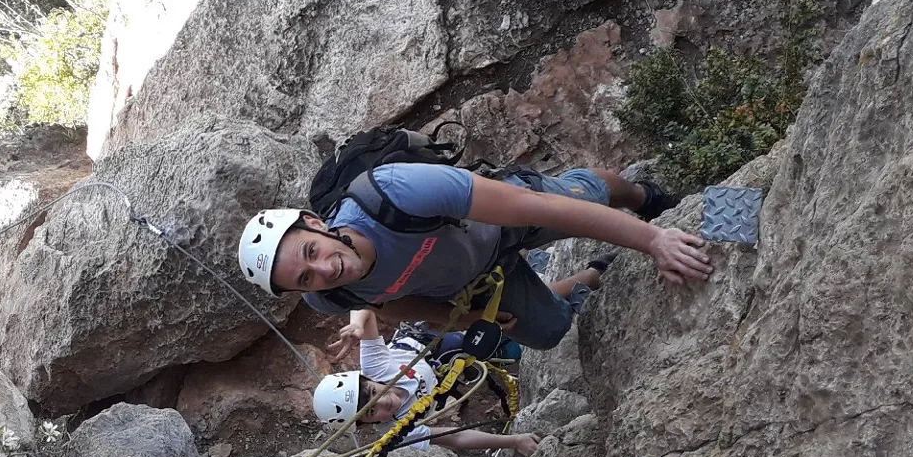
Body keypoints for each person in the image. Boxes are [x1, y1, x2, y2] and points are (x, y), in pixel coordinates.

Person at [237, 156, 708, 350]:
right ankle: (593, 272)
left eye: (312, 251)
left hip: (506, 219)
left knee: (584, 198)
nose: (324, 269)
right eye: (305, 278)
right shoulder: (329, 296)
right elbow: (390, 300)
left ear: (315, 223)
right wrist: (462, 320)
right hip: (475, 281)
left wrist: (655, 240)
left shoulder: (395, 193)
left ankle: (638, 193)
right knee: (548, 333)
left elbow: (538, 207)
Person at [313, 307, 539, 457]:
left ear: (368, 378)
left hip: (428, 340)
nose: (385, 401)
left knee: (500, 319)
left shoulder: (375, 367)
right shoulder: (398, 430)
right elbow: (456, 437)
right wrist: (513, 441)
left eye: (374, 391)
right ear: (365, 424)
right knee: (512, 349)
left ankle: (557, 291)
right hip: (443, 370)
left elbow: (364, 309)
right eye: (372, 411)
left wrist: (356, 325)